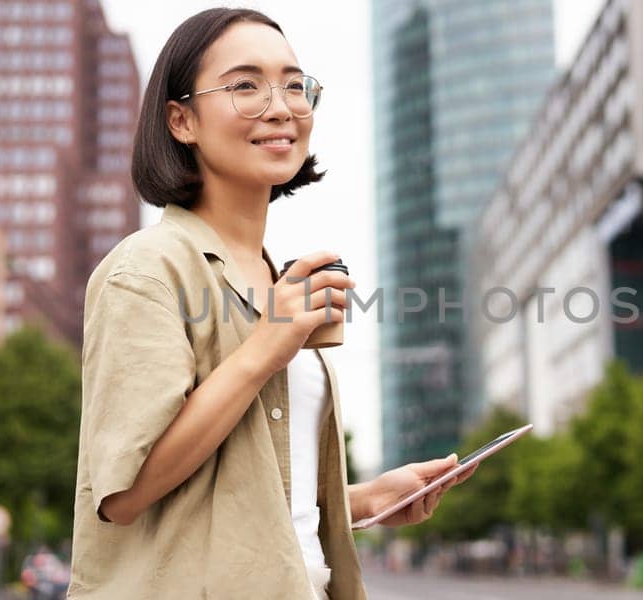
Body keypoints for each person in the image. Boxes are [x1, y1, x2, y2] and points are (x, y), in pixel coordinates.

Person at [68, 8, 475, 599]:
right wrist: (268, 344)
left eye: (293, 84)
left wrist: (364, 501)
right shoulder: (146, 270)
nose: (281, 106)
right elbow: (126, 492)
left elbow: (242, 492)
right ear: (181, 120)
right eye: (245, 86)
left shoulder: (271, 276)